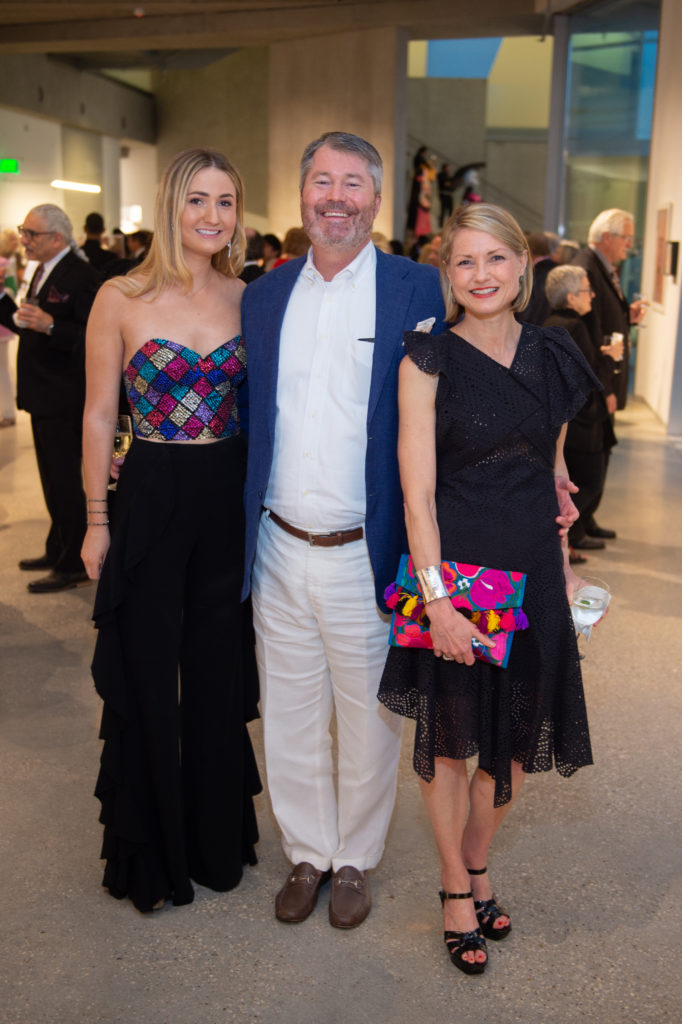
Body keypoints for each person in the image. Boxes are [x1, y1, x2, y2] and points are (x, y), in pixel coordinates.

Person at [377, 203, 597, 975]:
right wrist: (436, 598)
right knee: (449, 744)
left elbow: (553, 464)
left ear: (521, 267)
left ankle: (474, 861)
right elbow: (416, 496)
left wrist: (564, 552)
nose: (481, 275)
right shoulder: (426, 359)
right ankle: (454, 887)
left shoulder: (554, 354)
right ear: (448, 274)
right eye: (464, 263)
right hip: (462, 574)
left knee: (517, 747)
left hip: (533, 569)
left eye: (495, 260)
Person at [241, 131, 445, 930]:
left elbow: (452, 402)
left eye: (352, 184)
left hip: (368, 550)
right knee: (287, 712)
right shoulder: (266, 292)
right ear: (301, 195)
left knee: (369, 716)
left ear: (376, 199)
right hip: (277, 542)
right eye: (322, 181)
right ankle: (306, 853)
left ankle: (354, 858)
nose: (336, 197)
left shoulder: (414, 286)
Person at [81, 148, 261, 913]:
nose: (213, 216)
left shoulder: (250, 297)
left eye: (225, 202)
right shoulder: (119, 296)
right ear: (170, 206)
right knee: (149, 675)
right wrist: (95, 520)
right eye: (198, 200)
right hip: (150, 496)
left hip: (226, 499)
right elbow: (96, 415)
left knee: (217, 675)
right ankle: (151, 851)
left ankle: (215, 842)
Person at [0, 204, 99, 592]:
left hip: (63, 395)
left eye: (31, 234)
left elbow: (92, 337)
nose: (24, 240)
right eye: (23, 232)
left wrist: (52, 324)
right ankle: (57, 545)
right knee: (51, 480)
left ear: (57, 238)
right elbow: (29, 327)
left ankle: (72, 561)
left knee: (65, 480)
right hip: (41, 392)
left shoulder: (81, 275)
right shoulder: (39, 271)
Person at [571, 208, 647, 543]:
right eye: (626, 237)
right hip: (599, 380)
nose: (629, 245)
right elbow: (592, 330)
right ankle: (578, 525)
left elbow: (605, 319)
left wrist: (626, 316)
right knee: (592, 456)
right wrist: (604, 387)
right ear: (607, 236)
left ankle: (586, 520)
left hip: (606, 375)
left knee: (603, 451)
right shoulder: (587, 265)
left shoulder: (602, 267)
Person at [543, 265, 617, 560]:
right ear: (572, 298)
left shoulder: (551, 323)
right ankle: (562, 538)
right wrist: (608, 359)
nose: (593, 295)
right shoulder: (576, 327)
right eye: (588, 290)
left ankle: (566, 539)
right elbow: (589, 377)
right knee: (588, 482)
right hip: (582, 422)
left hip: (566, 420)